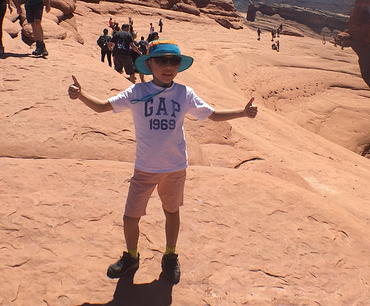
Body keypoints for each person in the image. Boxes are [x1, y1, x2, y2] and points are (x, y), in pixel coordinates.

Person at [68, 39, 258, 284]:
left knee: (171, 211)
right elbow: (102, 107)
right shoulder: (137, 92)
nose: (168, 66)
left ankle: (170, 256)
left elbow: (212, 115)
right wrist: (81, 95)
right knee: (130, 217)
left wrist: (243, 112)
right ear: (149, 64)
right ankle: (132, 257)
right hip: (145, 168)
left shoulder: (184, 93)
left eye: (174, 61)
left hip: (174, 167)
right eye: (162, 60)